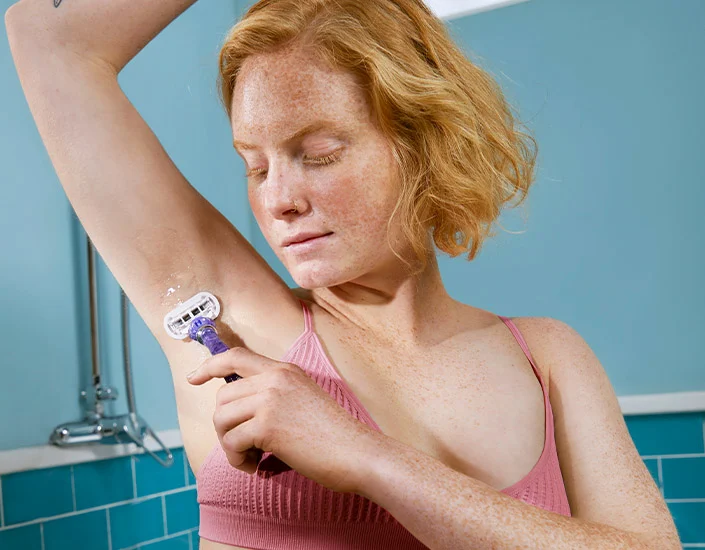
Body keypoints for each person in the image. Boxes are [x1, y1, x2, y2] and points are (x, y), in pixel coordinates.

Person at [5, 0, 680, 548]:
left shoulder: (548, 359)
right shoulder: (233, 325)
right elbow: (48, 38)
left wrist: (367, 458)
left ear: (426, 145)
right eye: (255, 165)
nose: (277, 200)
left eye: (318, 153)